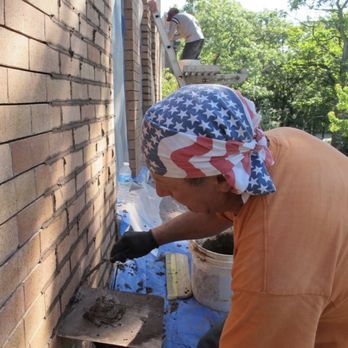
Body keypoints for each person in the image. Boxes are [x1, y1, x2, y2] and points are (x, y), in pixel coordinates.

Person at [110, 84, 348, 347]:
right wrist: (153, 238)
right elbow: (220, 209)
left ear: (221, 179)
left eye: (170, 186)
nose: (161, 192)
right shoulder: (264, 150)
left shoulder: (270, 270)